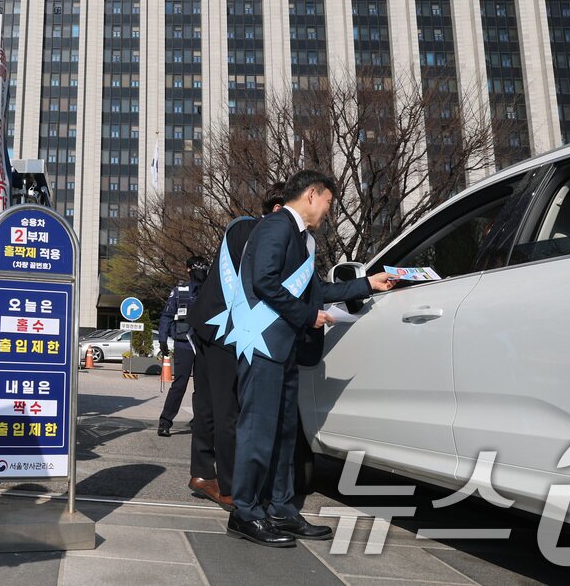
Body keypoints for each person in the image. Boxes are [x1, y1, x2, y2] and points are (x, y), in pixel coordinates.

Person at [227, 169, 396, 548]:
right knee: (258, 430)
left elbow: (315, 290)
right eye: (329, 203)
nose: (328, 211)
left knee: (285, 433)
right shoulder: (276, 226)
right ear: (312, 195)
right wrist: (308, 316)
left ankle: (282, 508)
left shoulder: (302, 239)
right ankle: (245, 512)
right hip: (262, 342)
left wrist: (367, 283)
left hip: (283, 347)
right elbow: (264, 281)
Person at [186, 185, 284, 511]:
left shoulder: (240, 226)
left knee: (207, 405)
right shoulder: (265, 234)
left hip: (205, 323)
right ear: (281, 208)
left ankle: (202, 474)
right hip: (229, 331)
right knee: (230, 411)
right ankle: (229, 487)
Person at [156, 255, 206, 437]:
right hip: (184, 343)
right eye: (197, 267)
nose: (201, 270)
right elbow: (167, 315)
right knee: (180, 384)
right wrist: (162, 339)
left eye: (203, 266)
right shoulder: (180, 290)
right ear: (188, 269)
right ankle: (165, 421)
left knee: (202, 387)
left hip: (205, 345)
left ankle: (199, 421)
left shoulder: (211, 289)